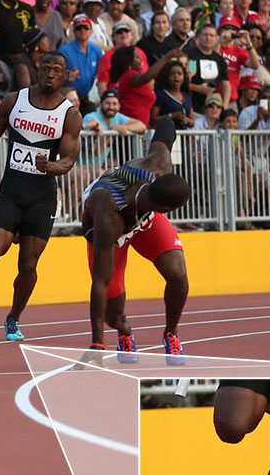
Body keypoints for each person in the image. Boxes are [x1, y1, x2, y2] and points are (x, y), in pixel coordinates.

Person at [0, 51, 81, 342]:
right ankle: (12, 230)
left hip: (42, 197)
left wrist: (54, 166)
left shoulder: (69, 114)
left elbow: (69, 158)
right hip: (12, 190)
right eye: (46, 68)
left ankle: (13, 317)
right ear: (37, 71)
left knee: (28, 264)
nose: (50, 74)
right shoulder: (15, 101)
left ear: (64, 76)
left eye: (57, 70)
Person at [80, 118, 191, 364]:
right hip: (111, 231)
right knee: (113, 313)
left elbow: (165, 126)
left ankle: (171, 333)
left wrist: (174, 116)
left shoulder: (159, 163)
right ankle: (124, 332)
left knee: (179, 276)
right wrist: (98, 343)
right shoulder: (109, 214)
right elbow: (100, 281)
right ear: (168, 208)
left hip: (144, 214)